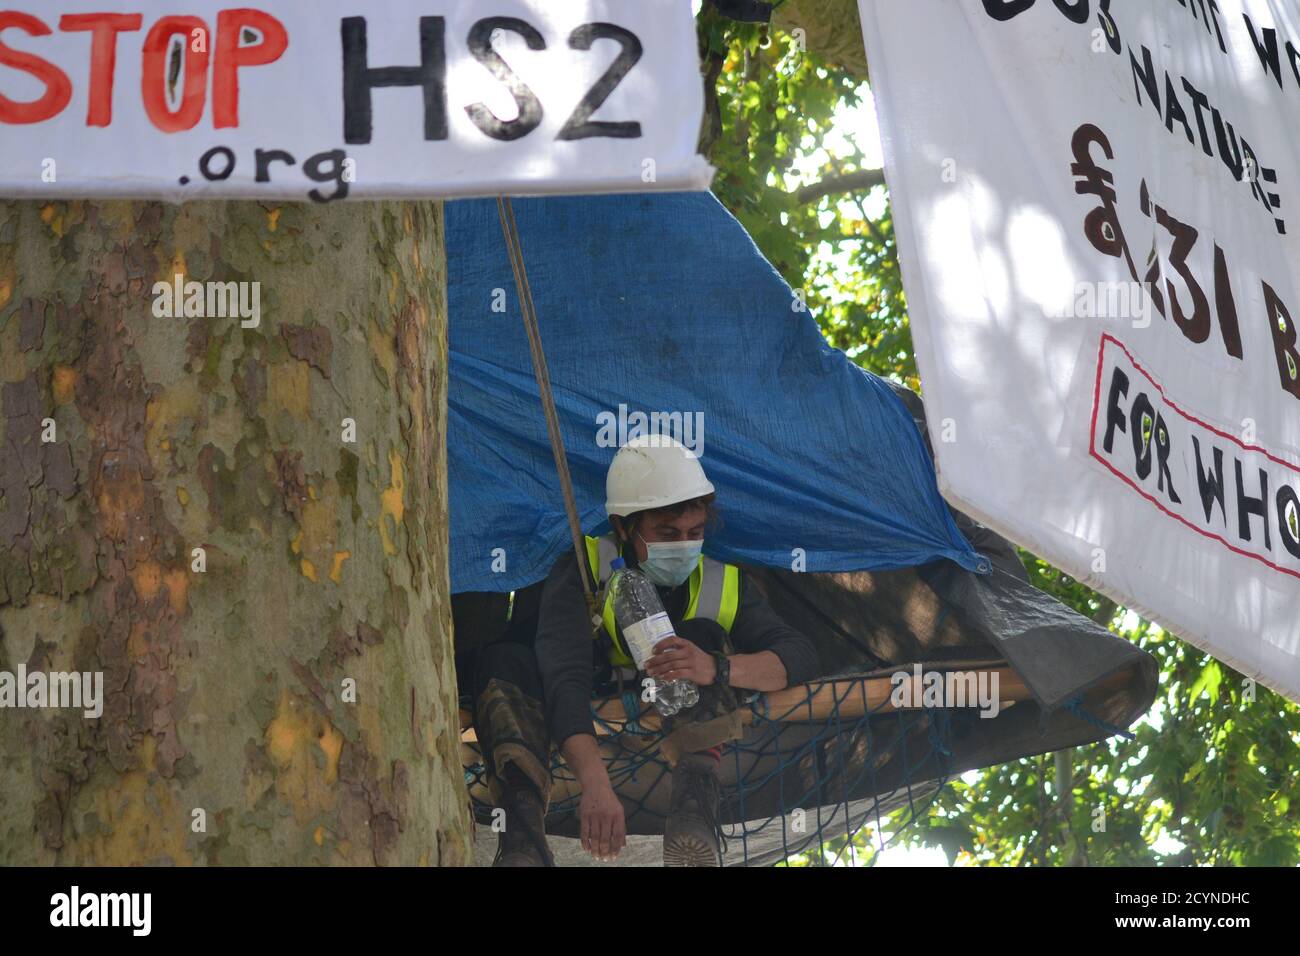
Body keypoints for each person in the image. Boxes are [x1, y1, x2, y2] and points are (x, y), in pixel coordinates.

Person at [471, 434, 820, 866]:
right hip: (573, 716)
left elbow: (798, 655)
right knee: (504, 661)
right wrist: (595, 785)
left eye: (694, 532)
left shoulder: (722, 580)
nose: (683, 544)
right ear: (623, 528)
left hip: (679, 719)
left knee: (702, 634)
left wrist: (717, 668)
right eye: (667, 533)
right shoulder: (583, 568)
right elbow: (566, 676)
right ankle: (523, 841)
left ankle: (694, 818)